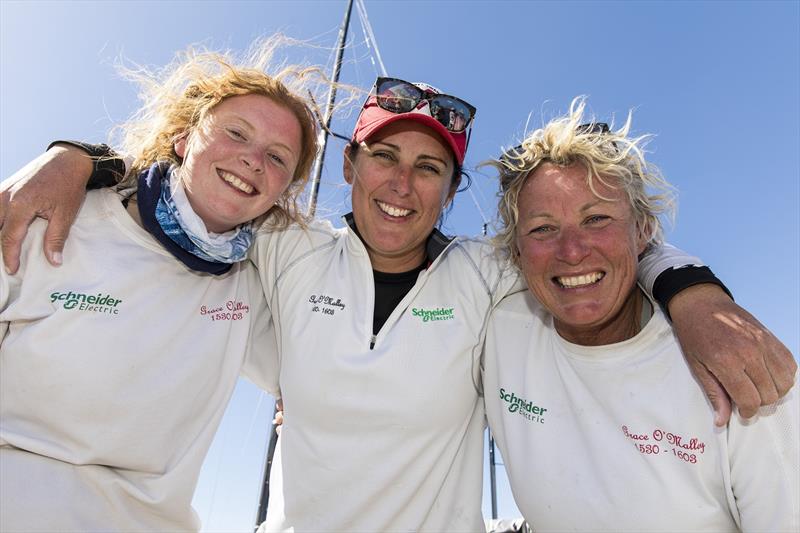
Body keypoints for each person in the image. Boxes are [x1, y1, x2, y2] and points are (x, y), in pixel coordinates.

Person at [1, 78, 796, 531]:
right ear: (350, 166)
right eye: (384, 157)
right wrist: (78, 157)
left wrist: (689, 291)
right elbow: (197, 187)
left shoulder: (488, 277)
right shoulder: (284, 246)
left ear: (451, 192)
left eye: (429, 169)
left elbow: (585, 244)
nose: (402, 184)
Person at [0, 38, 321, 531]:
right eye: (236, 133)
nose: (255, 160)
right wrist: (77, 156)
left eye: (278, 158)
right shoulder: (56, 216)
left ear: (282, 192)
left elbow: (328, 377)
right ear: (183, 138)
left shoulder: (252, 290)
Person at [483, 98, 799, 531]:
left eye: (596, 219)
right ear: (516, 250)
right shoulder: (496, 328)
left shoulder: (736, 366)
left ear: (644, 231)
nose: (572, 251)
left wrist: (694, 294)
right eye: (542, 228)